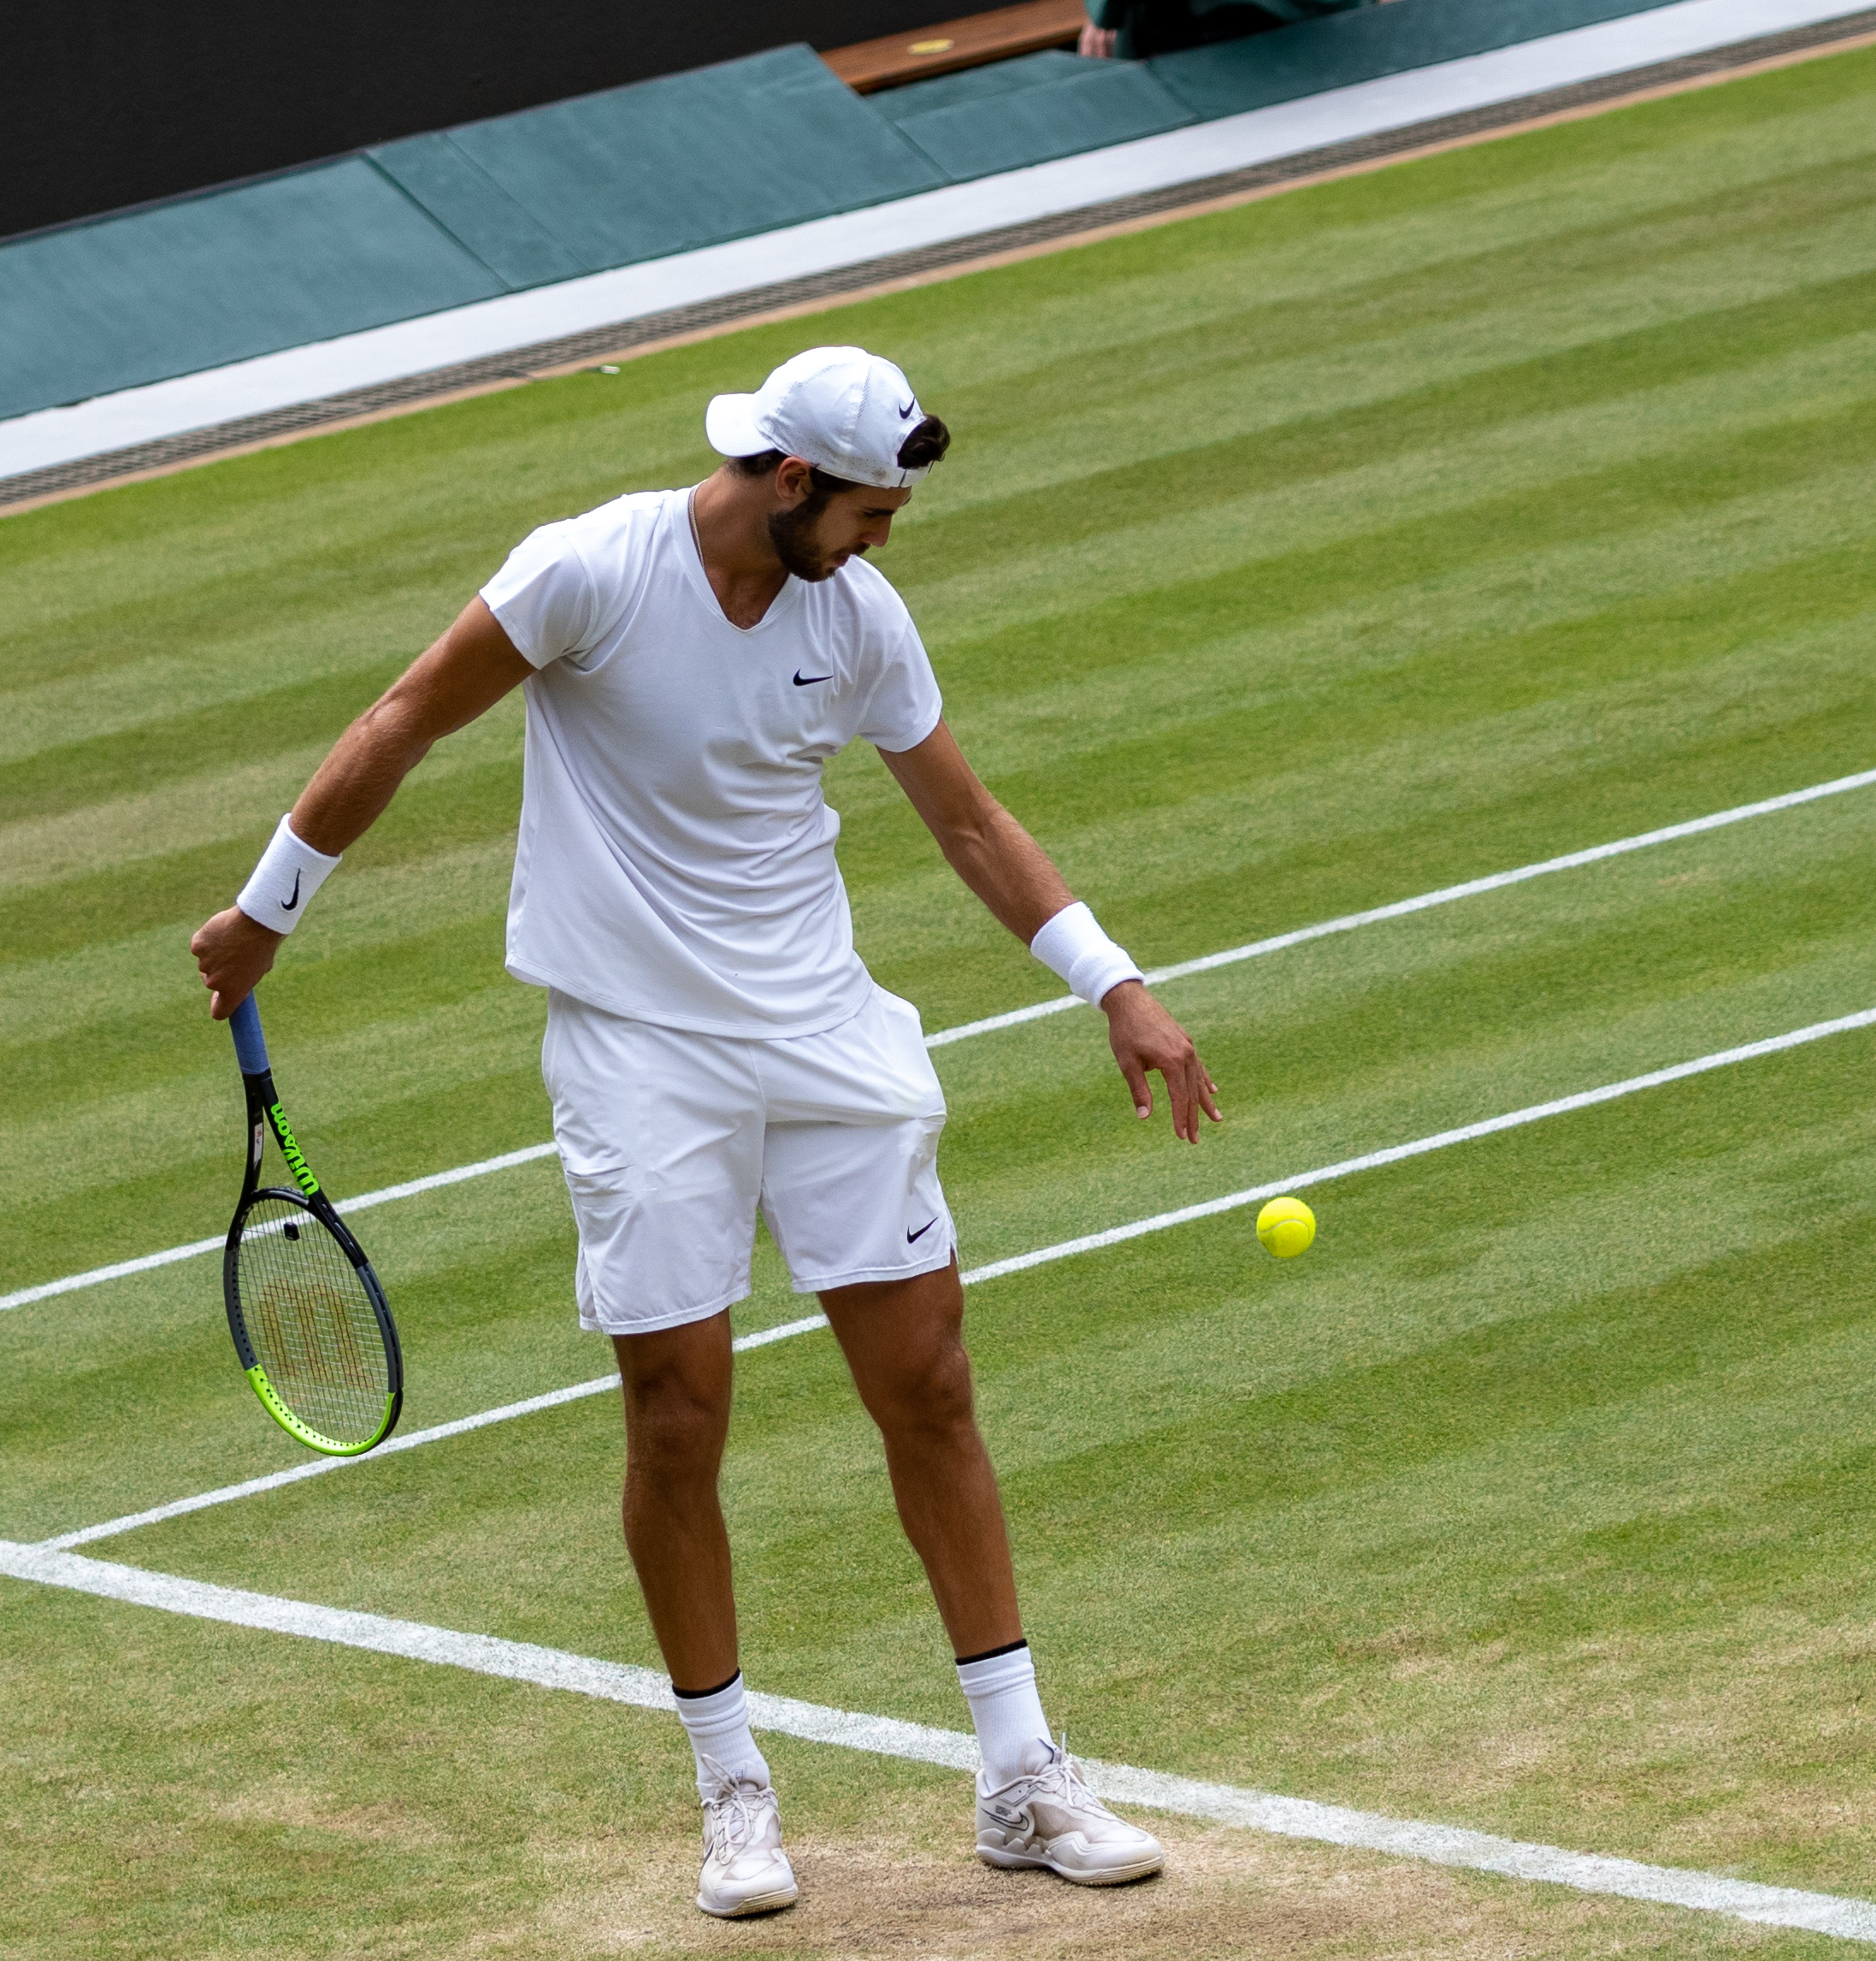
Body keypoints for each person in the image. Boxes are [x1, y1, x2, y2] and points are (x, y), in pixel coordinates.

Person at [183, 344, 1208, 1931]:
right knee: (678, 1413)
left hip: (826, 1041)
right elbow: (406, 713)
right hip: (638, 1055)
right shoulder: (589, 569)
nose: (885, 539)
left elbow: (965, 814)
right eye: (869, 509)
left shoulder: (856, 614)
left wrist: (1114, 981)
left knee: (927, 1380)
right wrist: (267, 909)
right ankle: (732, 1782)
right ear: (788, 478)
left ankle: (1022, 1773)